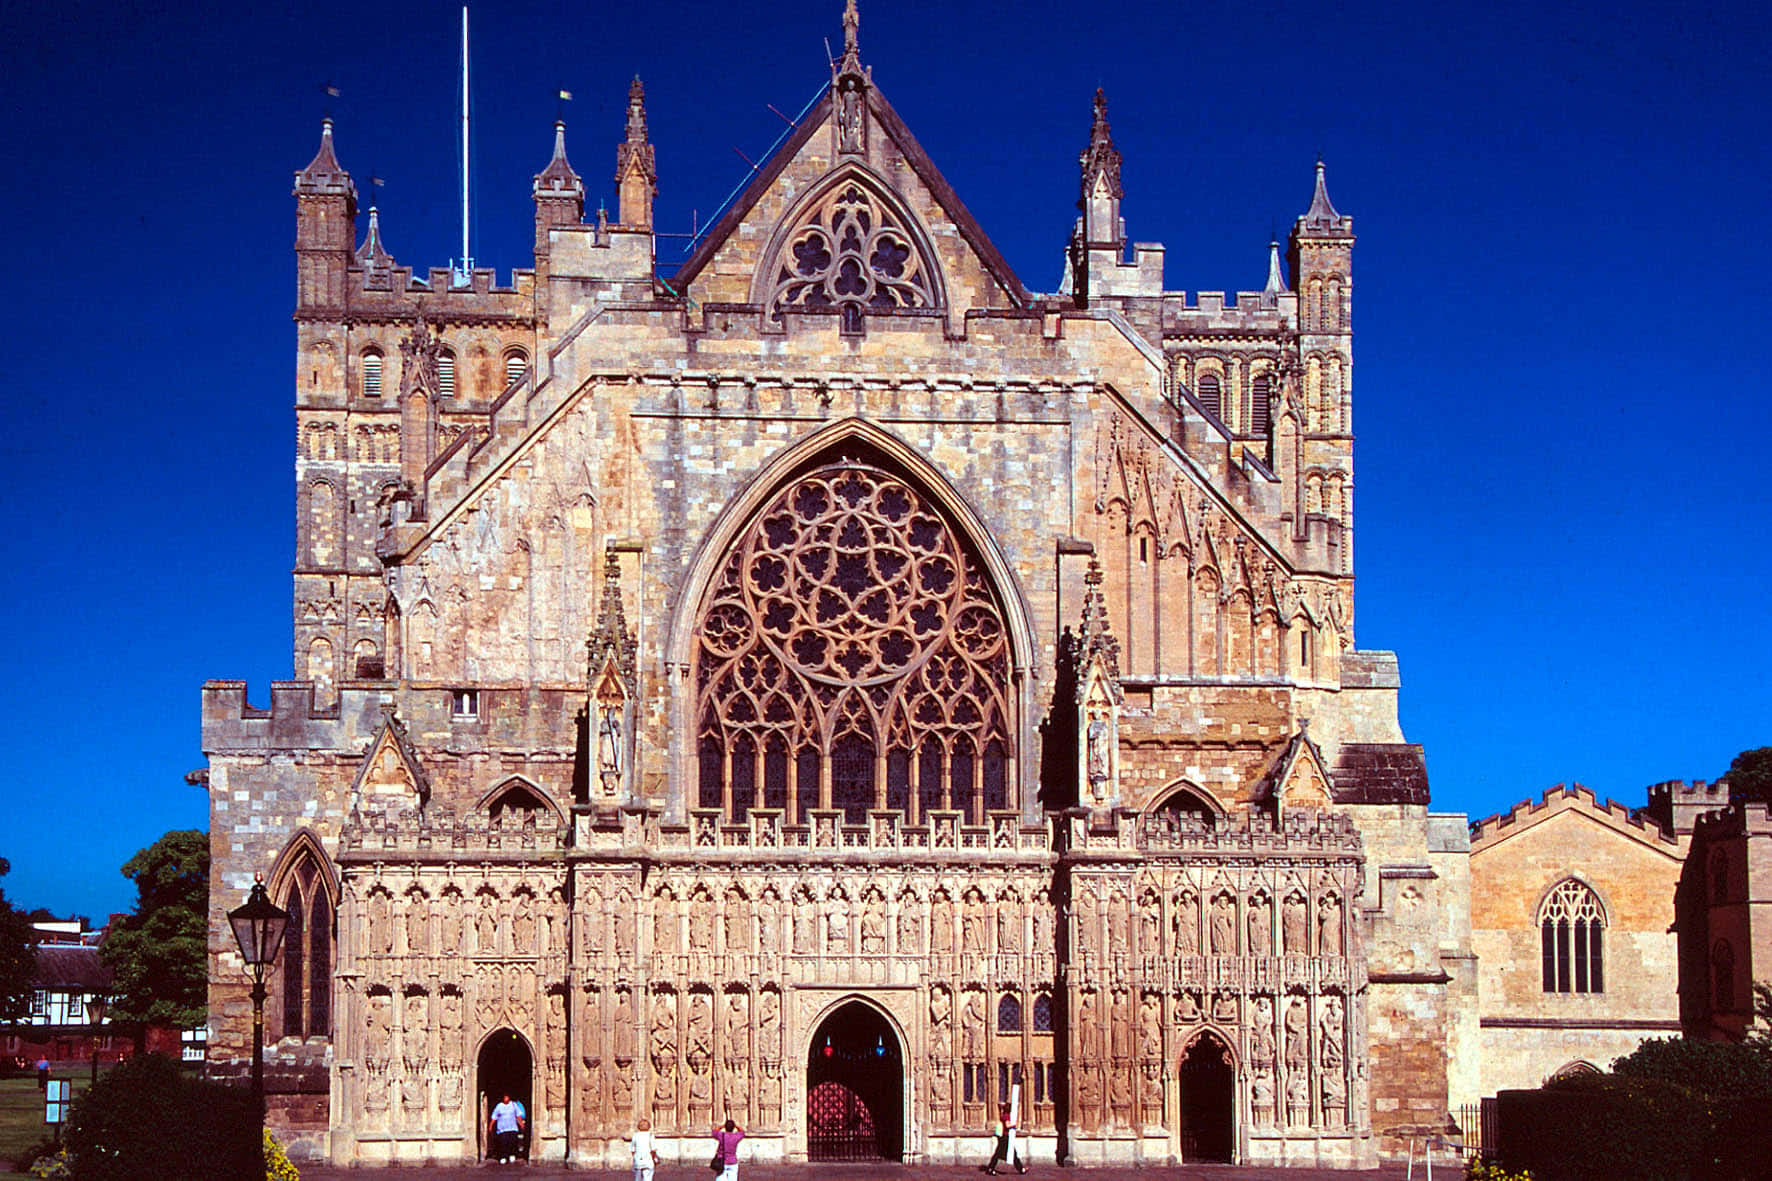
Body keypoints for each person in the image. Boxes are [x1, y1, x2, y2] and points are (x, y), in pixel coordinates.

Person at [985, 1103, 1027, 1175]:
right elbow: (1007, 1125)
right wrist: (1014, 1125)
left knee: (999, 1154)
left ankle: (990, 1168)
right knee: (1010, 1153)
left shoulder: (1003, 1116)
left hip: (1003, 1137)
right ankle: (1021, 1169)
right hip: (1005, 1137)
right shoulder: (1007, 1116)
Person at [488, 1091, 525, 1164]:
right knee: (503, 1142)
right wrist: (491, 1126)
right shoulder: (499, 1106)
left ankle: (512, 1154)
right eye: (504, 1097)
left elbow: (518, 1115)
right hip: (502, 1128)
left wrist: (521, 1124)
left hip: (512, 1127)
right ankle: (503, 1156)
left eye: (507, 1097)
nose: (505, 1098)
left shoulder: (513, 1105)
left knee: (512, 1141)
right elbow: (494, 1117)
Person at [711, 1117, 745, 1181]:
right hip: (732, 1161)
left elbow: (714, 1131)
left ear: (725, 1127)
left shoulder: (721, 1135)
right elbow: (742, 1132)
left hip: (722, 1161)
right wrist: (736, 1126)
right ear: (733, 1128)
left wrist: (722, 1126)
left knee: (720, 1178)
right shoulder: (736, 1137)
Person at [630, 1116, 658, 1181]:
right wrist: (653, 1159)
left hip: (638, 1160)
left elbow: (632, 1149)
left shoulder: (635, 1135)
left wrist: (635, 1157)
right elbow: (653, 1149)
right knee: (648, 1177)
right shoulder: (650, 1135)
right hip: (648, 1159)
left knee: (637, 1178)